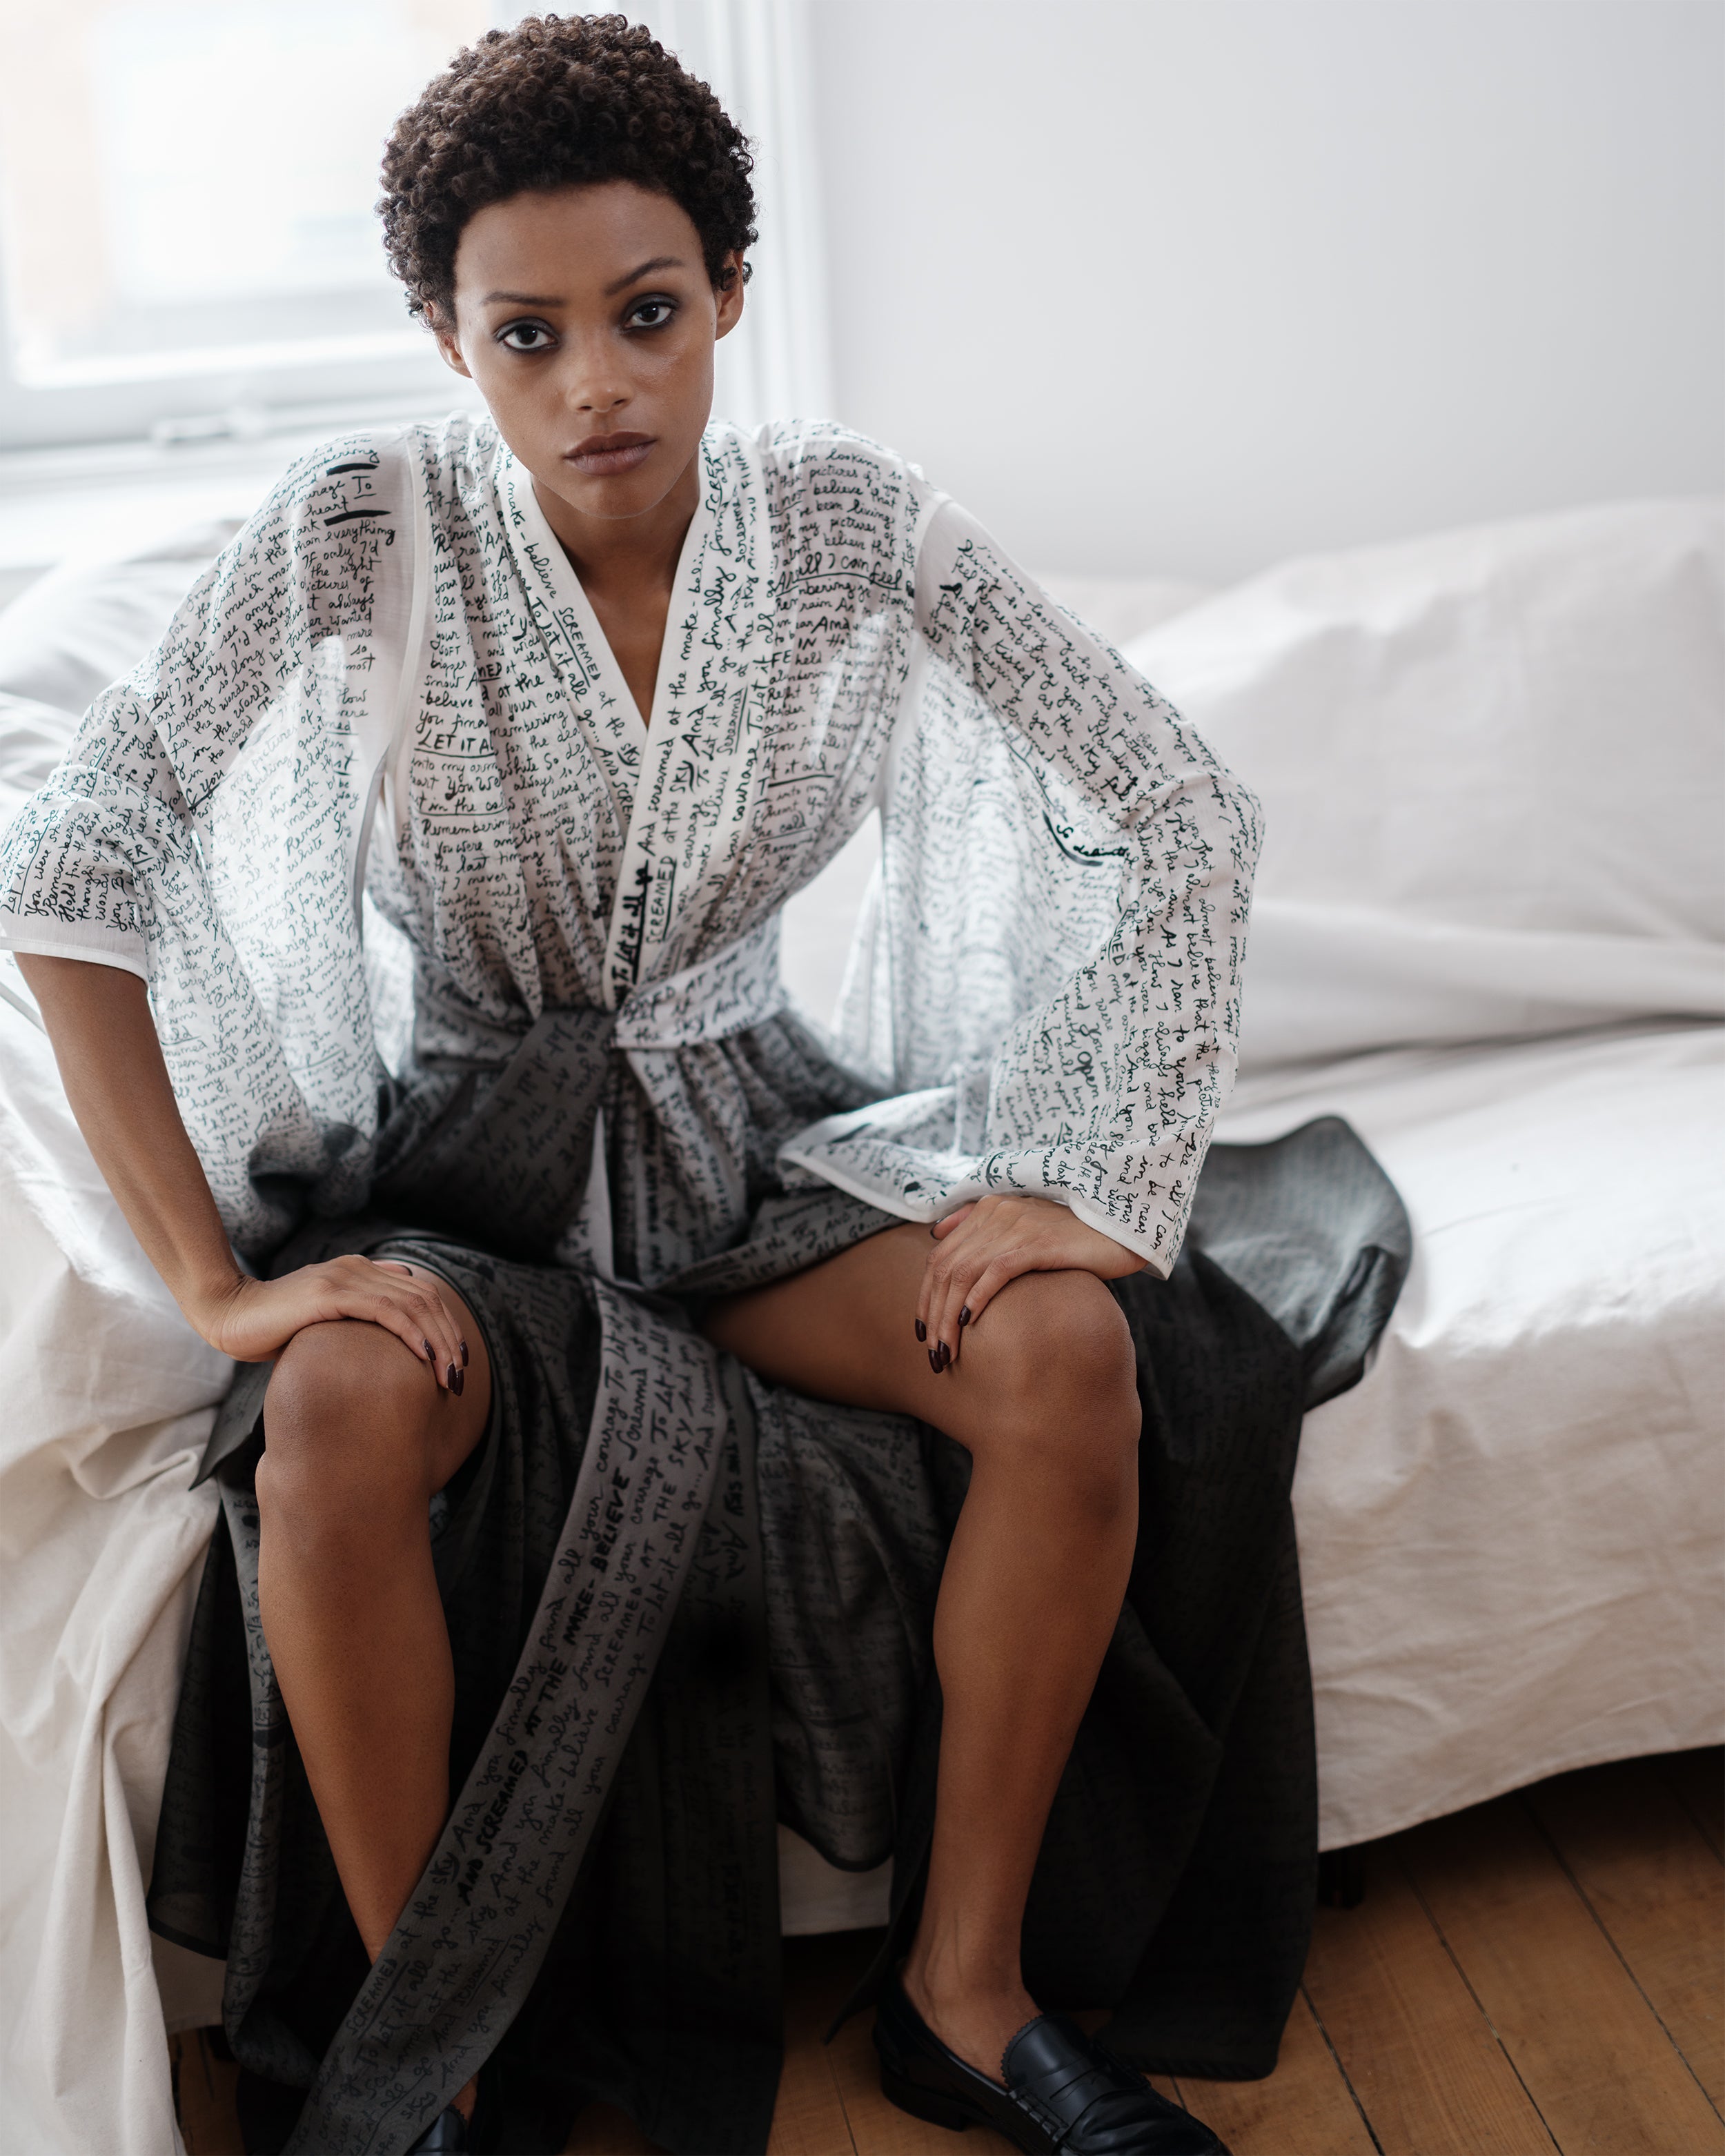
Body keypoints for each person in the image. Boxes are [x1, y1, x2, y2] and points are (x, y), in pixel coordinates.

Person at [0, 17, 1406, 2156]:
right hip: (474, 1184)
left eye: (647, 314)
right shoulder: (364, 526)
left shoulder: (846, 522)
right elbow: (73, 863)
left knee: (1062, 1349)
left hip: (757, 1156)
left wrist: (1102, 1184)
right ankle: (437, 2063)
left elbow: (1177, 808)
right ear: (448, 340)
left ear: (729, 292)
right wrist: (216, 1284)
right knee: (335, 1403)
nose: (599, 384)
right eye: (529, 334)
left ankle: (965, 1996)